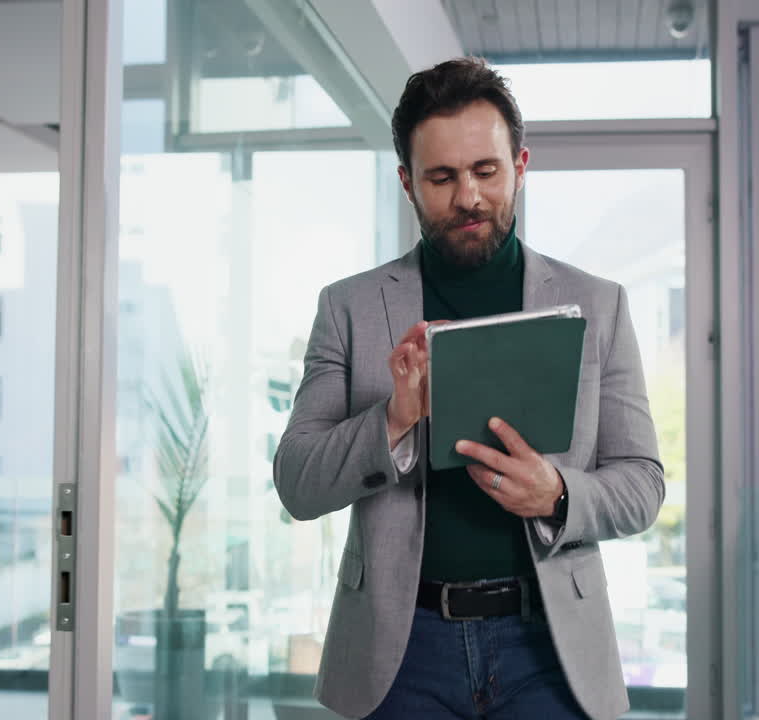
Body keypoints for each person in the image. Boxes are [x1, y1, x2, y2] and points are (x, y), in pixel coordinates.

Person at [274, 57, 664, 720]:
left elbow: (643, 484)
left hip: (549, 649)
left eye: (487, 171)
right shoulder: (349, 308)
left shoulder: (599, 304)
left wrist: (559, 493)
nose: (469, 198)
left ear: (520, 164)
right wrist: (394, 417)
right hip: (399, 653)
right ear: (407, 182)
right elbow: (297, 483)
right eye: (442, 177)